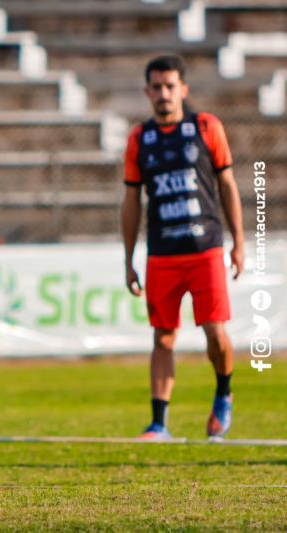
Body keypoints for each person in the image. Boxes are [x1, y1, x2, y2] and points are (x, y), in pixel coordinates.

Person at [121, 55, 244, 441]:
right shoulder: (140, 139)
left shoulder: (206, 127)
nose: (163, 94)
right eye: (156, 87)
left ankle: (223, 393)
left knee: (215, 331)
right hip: (162, 253)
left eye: (170, 86)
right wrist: (129, 259)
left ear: (183, 89)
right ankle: (159, 423)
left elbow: (227, 185)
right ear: (147, 92)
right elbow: (131, 202)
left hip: (205, 247)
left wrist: (239, 242)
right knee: (163, 336)